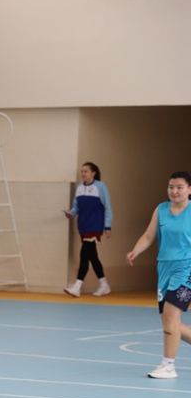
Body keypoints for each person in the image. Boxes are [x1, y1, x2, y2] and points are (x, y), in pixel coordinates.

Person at [126, 171, 191, 379]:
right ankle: (168, 364)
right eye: (171, 187)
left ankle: (168, 365)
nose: (174, 191)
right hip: (164, 267)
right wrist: (136, 250)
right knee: (169, 320)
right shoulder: (161, 209)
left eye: (179, 187)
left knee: (171, 315)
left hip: (186, 268)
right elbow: (148, 235)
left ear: (189, 189)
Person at [64, 162, 113, 297]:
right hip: (83, 226)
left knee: (84, 254)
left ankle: (77, 286)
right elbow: (76, 208)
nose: (83, 174)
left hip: (94, 225)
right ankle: (104, 284)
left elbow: (108, 207)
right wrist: (70, 214)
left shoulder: (100, 187)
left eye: (86, 171)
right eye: (82, 171)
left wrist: (107, 226)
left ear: (93, 173)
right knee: (92, 256)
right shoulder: (79, 188)